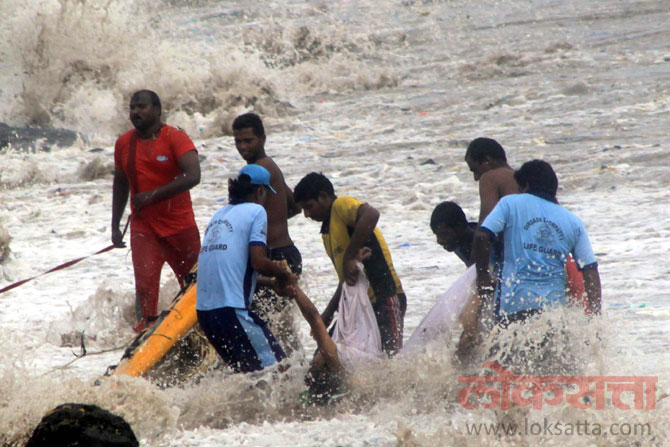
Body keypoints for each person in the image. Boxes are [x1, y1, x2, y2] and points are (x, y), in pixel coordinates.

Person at [468, 160, 601, 349]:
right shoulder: (573, 221)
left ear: (526, 185)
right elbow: (590, 269)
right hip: (552, 314)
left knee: (503, 370)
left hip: (512, 307)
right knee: (551, 370)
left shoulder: (510, 203)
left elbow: (482, 236)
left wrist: (483, 277)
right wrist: (595, 316)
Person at [111, 90, 201, 333]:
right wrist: (114, 225)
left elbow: (194, 175)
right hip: (144, 229)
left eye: (142, 107)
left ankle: (202, 329)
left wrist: (153, 195)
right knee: (145, 287)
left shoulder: (176, 137)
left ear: (158, 110)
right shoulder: (123, 143)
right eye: (132, 108)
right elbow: (120, 183)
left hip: (180, 227)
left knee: (197, 286)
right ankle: (147, 335)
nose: (136, 112)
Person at [195, 164, 297, 373]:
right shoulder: (257, 211)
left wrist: (269, 283)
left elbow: (229, 272)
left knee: (250, 375)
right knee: (281, 370)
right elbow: (258, 262)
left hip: (205, 315)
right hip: (232, 311)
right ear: (260, 191)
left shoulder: (219, 215)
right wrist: (282, 273)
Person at [293, 172, 407, 356]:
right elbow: (346, 279)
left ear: (323, 196)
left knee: (387, 360)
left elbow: (371, 214)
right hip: (357, 306)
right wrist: (328, 315)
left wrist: (349, 257)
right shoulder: (327, 234)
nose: (307, 214)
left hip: (385, 298)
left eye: (309, 207)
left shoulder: (340, 205)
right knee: (324, 357)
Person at [232, 113, 303, 353]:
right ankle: (297, 373)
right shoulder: (270, 166)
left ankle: (282, 377)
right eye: (238, 141)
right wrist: (274, 223)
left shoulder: (253, 172)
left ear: (263, 138)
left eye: (248, 140)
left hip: (272, 258)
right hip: (287, 254)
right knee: (282, 327)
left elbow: (240, 215)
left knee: (266, 328)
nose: (243, 147)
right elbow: (294, 205)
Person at [464, 137, 518, 225]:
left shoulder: (490, 178)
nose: (476, 178)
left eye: (475, 170)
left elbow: (487, 225)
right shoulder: (526, 179)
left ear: (487, 160)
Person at [430, 201, 477, 267]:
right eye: (437, 235)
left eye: (444, 234)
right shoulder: (458, 244)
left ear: (460, 227)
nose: (439, 241)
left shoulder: (485, 241)